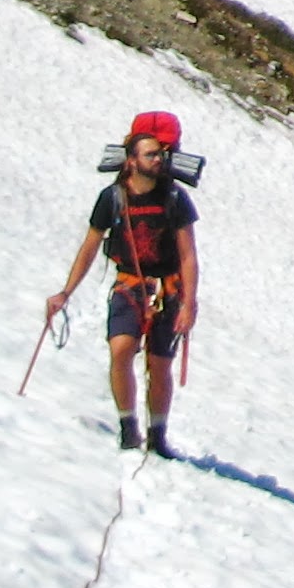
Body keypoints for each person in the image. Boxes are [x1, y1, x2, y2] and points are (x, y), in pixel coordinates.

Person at [45, 111, 200, 457]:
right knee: (120, 351)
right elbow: (89, 246)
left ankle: (157, 435)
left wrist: (189, 303)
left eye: (160, 154)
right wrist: (65, 292)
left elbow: (188, 255)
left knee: (159, 365)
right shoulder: (112, 198)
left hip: (167, 290)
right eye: (150, 154)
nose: (158, 160)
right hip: (130, 284)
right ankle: (128, 427)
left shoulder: (175, 199)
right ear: (131, 161)